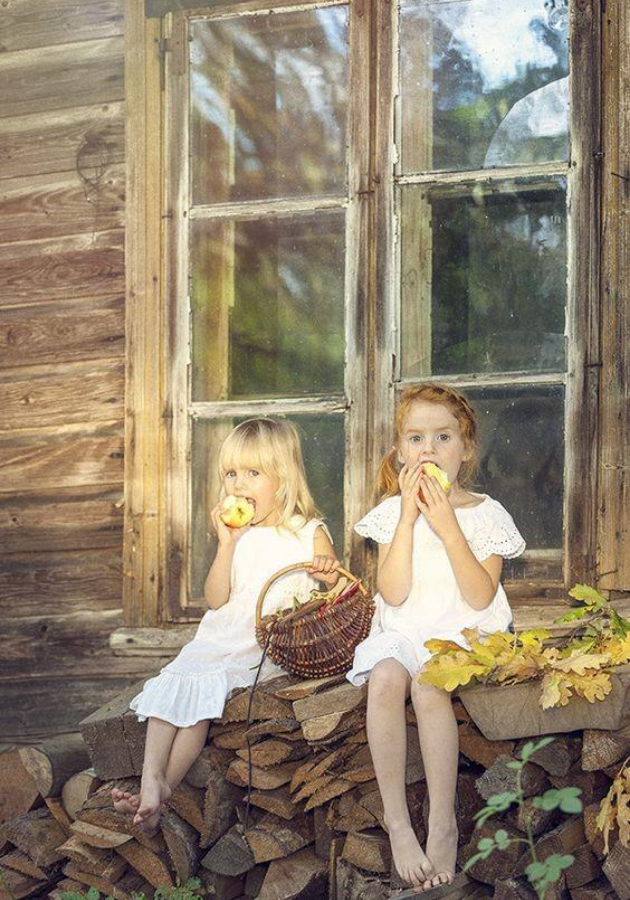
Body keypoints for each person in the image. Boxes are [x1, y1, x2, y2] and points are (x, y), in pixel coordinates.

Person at [112, 418, 340, 830]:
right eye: (232, 474)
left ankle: (165, 785)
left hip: (264, 640)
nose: (239, 484)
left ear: (283, 477)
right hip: (220, 633)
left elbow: (334, 584)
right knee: (177, 683)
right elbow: (216, 599)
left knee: (201, 703)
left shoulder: (308, 531)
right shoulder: (239, 535)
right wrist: (226, 544)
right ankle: (152, 779)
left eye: (253, 473)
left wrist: (328, 571)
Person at [346, 383, 525, 892]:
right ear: (400, 452)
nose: (428, 450)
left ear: (466, 448)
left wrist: (448, 528)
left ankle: (441, 821)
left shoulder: (486, 514)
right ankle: (398, 822)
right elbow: (395, 595)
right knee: (385, 678)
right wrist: (407, 518)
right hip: (407, 626)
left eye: (442, 437)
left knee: (427, 684)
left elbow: (477, 596)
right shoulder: (389, 515)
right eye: (416, 439)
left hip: (464, 630)